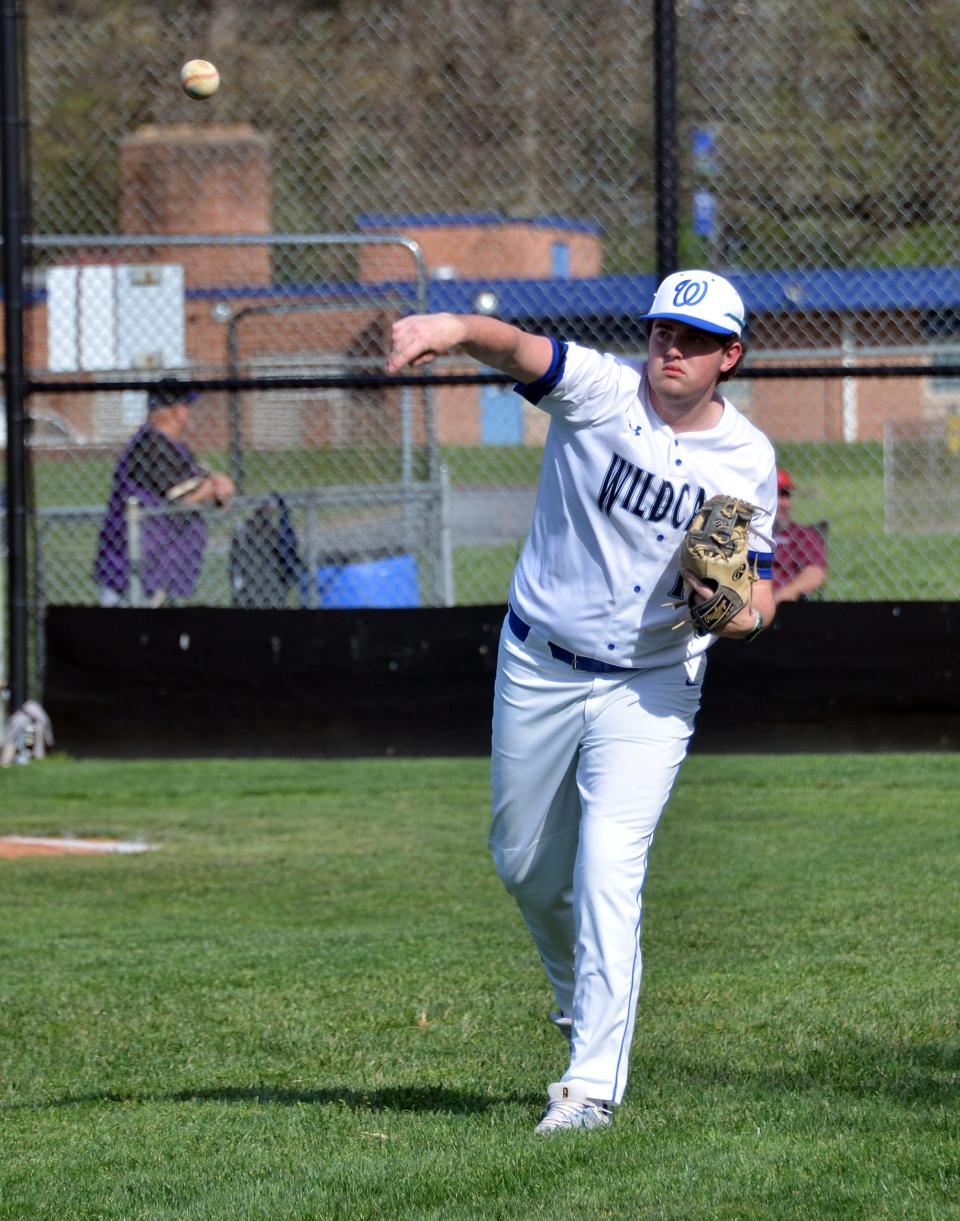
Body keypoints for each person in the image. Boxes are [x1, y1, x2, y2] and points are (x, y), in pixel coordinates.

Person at [386, 270, 778, 1134]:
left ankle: (589, 1086)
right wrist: (452, 325)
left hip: (653, 684)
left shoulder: (746, 457)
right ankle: (575, 994)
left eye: (695, 337)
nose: (671, 347)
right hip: (541, 663)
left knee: (609, 867)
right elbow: (521, 349)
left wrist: (739, 611)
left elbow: (757, 590)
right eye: (663, 330)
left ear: (729, 356)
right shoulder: (602, 393)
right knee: (522, 862)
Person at [94, 381, 236, 606]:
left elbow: (193, 482)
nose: (188, 412)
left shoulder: (168, 446)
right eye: (186, 405)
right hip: (132, 575)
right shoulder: (150, 446)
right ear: (177, 411)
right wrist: (212, 489)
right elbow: (182, 498)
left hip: (154, 573)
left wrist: (214, 483)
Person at [771, 468, 827, 602]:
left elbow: (815, 573)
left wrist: (777, 598)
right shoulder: (744, 533)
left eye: (786, 495)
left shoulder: (801, 534)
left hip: (784, 606)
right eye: (776, 495)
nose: (782, 503)